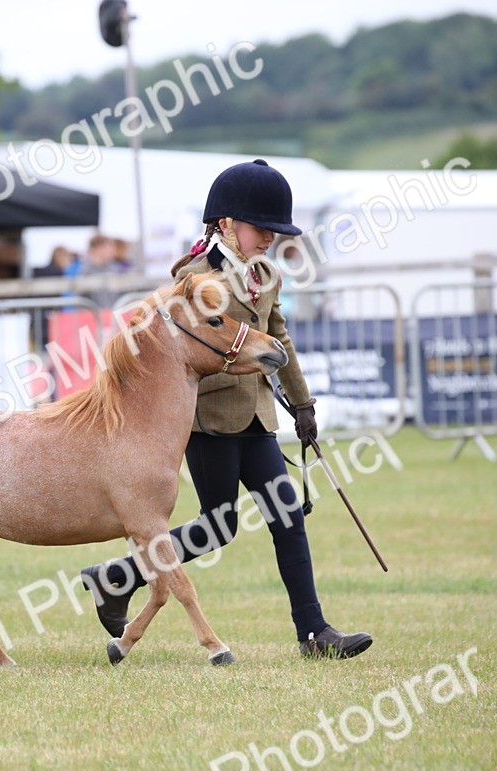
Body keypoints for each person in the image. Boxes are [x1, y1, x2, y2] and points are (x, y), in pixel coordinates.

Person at [77, 159, 373, 660]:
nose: (270, 239)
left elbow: (278, 338)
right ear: (228, 223)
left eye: (276, 232)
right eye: (263, 229)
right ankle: (117, 576)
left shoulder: (265, 276)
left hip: (259, 417)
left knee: (287, 519)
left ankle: (313, 633)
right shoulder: (195, 278)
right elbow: (177, 352)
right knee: (218, 526)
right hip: (207, 419)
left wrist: (301, 403)